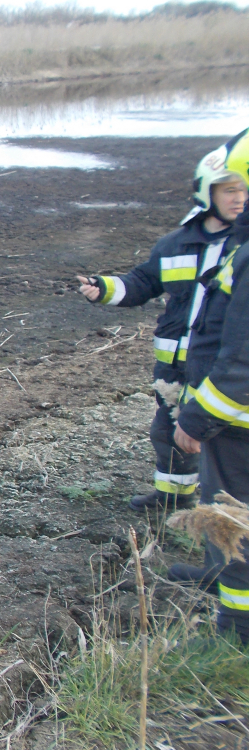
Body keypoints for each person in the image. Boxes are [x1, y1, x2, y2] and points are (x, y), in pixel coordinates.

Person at [77, 134, 249, 513]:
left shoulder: (244, 247)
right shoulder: (175, 244)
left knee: (222, 442)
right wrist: (105, 289)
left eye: (243, 190)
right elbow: (142, 281)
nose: (238, 198)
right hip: (174, 367)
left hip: (221, 368)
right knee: (168, 432)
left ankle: (219, 517)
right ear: (207, 192)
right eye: (228, 190)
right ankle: (173, 498)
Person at [170, 131, 249, 641]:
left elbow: (242, 362)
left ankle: (235, 629)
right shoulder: (196, 244)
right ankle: (223, 581)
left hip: (235, 423)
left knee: (233, 518)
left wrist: (198, 416)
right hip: (230, 420)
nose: (239, 198)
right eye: (230, 189)